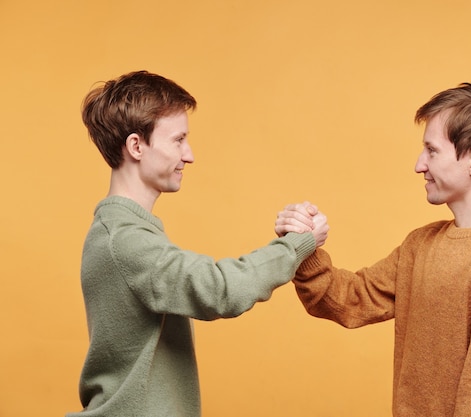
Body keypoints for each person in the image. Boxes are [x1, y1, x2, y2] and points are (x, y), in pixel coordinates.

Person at [67, 70, 328, 417]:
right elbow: (218, 289)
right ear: (136, 146)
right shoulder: (125, 240)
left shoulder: (123, 231)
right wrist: (297, 245)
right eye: (178, 140)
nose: (189, 155)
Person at [275, 83, 471, 417]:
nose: (419, 165)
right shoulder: (421, 245)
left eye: (432, 150)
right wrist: (303, 246)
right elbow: (351, 299)